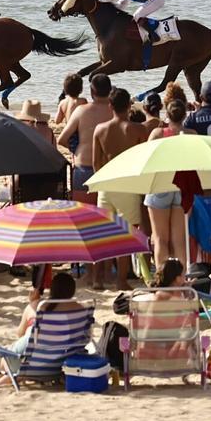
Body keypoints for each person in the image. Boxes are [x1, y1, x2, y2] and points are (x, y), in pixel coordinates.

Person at [93, 88, 150, 289]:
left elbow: (95, 164)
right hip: (128, 183)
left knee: (103, 234)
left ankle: (98, 279)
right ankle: (121, 280)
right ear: (129, 106)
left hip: (106, 184)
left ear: (110, 106)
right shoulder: (138, 130)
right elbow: (144, 161)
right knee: (128, 234)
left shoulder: (100, 129)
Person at [146, 93, 193, 270]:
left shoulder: (158, 133)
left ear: (166, 113)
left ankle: (162, 278)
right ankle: (181, 279)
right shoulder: (192, 134)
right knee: (179, 240)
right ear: (185, 115)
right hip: (182, 188)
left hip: (161, 185)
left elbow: (147, 159)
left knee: (160, 239)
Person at [56, 74, 113, 199]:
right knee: (108, 216)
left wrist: (76, 150)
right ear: (110, 90)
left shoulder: (81, 110)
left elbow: (62, 140)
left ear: (92, 91)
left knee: (83, 215)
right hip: (109, 168)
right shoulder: (117, 111)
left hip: (84, 166)